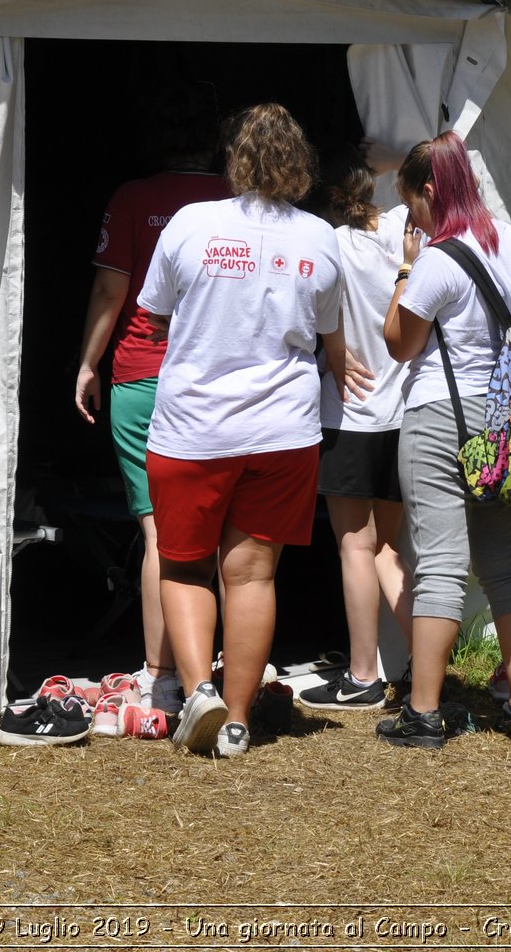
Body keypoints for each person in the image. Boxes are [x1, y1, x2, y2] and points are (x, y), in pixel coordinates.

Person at [376, 131, 511, 749]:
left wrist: (404, 266)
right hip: (507, 417)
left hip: (439, 415)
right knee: (505, 560)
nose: (414, 221)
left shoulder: (438, 261)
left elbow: (400, 344)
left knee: (441, 564)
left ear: (429, 192)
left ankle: (423, 714)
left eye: (412, 206)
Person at [136, 103, 343, 757]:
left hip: (193, 427)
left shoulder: (190, 224)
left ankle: (200, 692)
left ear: (235, 159)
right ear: (299, 163)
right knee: (252, 576)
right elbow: (330, 336)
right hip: (283, 428)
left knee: (185, 564)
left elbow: (154, 317)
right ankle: (239, 720)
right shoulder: (318, 237)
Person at [74, 83, 229, 715]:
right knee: (220, 533)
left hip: (141, 375)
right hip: (219, 382)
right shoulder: (236, 201)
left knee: (160, 531)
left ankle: (162, 678)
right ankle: (216, 671)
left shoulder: (133, 198)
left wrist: (86, 362)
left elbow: (112, 293)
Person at [299, 149, 414, 711]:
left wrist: (333, 351)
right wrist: (390, 160)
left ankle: (364, 674)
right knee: (390, 548)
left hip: (348, 411)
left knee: (354, 546)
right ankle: (425, 664)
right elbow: (446, 145)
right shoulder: (401, 228)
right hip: (403, 411)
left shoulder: (324, 243)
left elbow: (314, 317)